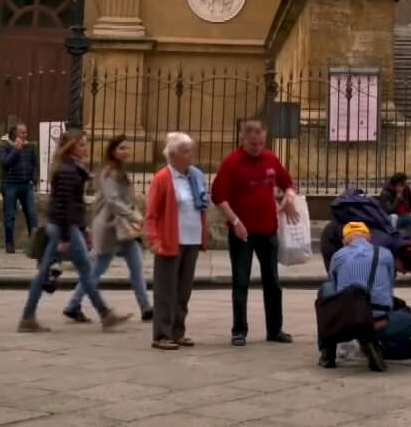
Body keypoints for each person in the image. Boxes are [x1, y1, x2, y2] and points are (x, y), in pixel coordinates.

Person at [19, 130, 130, 332]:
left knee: (71, 271)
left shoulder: (73, 168)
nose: (85, 148)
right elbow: (63, 205)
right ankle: (104, 314)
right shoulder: (68, 171)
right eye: (82, 145)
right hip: (63, 227)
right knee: (73, 271)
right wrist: (65, 236)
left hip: (66, 226)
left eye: (85, 144)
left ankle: (29, 317)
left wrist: (80, 228)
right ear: (71, 147)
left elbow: (71, 204)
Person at [211, 118, 301, 346]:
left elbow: (288, 182)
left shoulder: (271, 158)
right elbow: (218, 196)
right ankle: (239, 330)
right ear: (243, 140)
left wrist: (289, 199)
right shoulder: (232, 162)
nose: (257, 148)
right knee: (241, 281)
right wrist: (234, 221)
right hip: (242, 232)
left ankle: (275, 329)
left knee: (272, 281)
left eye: (261, 143)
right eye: (253, 144)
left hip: (268, 229)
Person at [64, 136, 153, 324]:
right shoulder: (108, 173)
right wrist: (133, 215)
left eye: (127, 148)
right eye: (121, 148)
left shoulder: (119, 171)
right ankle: (73, 304)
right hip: (109, 227)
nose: (125, 151)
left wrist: (131, 214)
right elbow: (112, 201)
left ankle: (146, 307)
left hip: (124, 229)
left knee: (136, 267)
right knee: (97, 269)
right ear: (112, 151)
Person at [320, 221, 411, 370]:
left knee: (326, 289)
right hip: (376, 321)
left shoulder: (337, 256)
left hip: (345, 322)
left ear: (344, 241)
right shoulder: (385, 254)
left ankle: (328, 349)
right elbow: (388, 292)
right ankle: (371, 337)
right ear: (368, 237)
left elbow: (336, 288)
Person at [144, 131, 209, 350]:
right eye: (185, 151)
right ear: (173, 155)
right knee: (166, 290)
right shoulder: (163, 178)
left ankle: (177, 331)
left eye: (190, 150)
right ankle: (162, 334)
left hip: (191, 240)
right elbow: (151, 213)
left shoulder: (195, 176)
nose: (190, 155)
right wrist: (153, 238)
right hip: (170, 240)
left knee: (183, 290)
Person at [0, 122, 38, 255]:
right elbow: (5, 163)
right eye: (22, 133)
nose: (25, 135)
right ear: (15, 134)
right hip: (10, 185)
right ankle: (9, 244)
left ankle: (35, 245)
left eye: (26, 132)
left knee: (31, 214)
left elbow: (34, 164)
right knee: (9, 215)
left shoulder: (30, 147)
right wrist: (15, 149)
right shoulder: (4, 146)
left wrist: (33, 180)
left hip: (26, 185)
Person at [378, 172, 411, 252]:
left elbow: (410, 202)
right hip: (392, 217)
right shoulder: (386, 192)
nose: (403, 187)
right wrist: (398, 198)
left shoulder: (406, 189)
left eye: (404, 184)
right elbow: (388, 210)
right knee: (393, 217)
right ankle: (393, 240)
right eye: (400, 185)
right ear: (395, 185)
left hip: (405, 215)